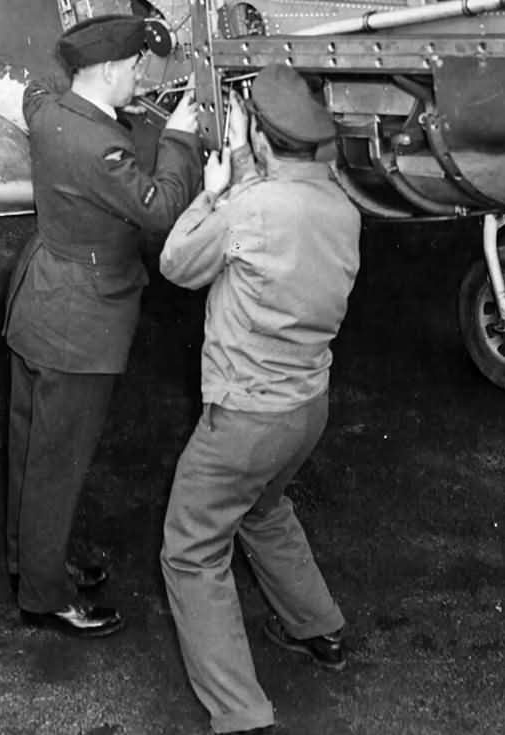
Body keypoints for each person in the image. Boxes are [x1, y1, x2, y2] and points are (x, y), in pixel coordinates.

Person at [158, 64, 361, 735]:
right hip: (307, 408)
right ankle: (319, 628)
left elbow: (177, 262)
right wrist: (248, 164)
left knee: (192, 548)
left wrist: (211, 194)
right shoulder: (341, 207)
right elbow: (276, 214)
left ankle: (241, 713)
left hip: (245, 418)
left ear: (263, 139)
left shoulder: (247, 210)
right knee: (263, 508)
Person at [4, 14, 203, 637]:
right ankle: (45, 597)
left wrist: (114, 102)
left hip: (39, 299)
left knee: (32, 452)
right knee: (58, 464)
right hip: (79, 322)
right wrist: (178, 136)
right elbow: (159, 208)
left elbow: (37, 87)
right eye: (135, 67)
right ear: (111, 69)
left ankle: (30, 563)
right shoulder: (101, 148)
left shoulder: (48, 111)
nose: (142, 75)